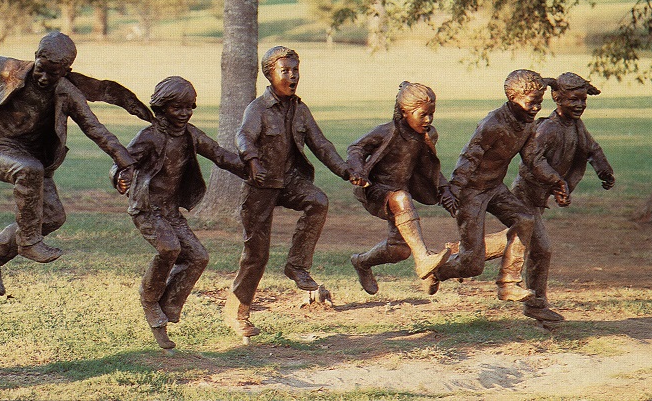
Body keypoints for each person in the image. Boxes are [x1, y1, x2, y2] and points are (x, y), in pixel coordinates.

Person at [0, 0, 152, 297]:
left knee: (52, 216)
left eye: (54, 72)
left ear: (65, 71)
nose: (44, 76)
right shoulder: (12, 70)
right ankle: (28, 242)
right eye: (41, 67)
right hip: (4, 150)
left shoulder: (67, 93)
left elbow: (96, 129)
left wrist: (126, 162)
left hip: (37, 161)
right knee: (28, 171)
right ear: (35, 57)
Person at [446, 73, 614, 321]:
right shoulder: (545, 128)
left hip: (533, 195)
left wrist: (598, 172)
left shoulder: (573, 127)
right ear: (558, 98)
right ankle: (533, 303)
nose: (579, 104)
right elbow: (528, 163)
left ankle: (464, 253)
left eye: (583, 99)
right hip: (525, 194)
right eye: (573, 99)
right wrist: (555, 181)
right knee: (540, 247)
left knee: (520, 239)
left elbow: (590, 150)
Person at [224, 46, 362, 338]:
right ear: (270, 74)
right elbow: (243, 136)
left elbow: (321, 145)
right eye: (285, 71)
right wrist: (252, 160)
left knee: (318, 201)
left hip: (289, 182)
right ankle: (237, 313)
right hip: (261, 186)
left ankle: (297, 266)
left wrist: (346, 171)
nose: (292, 76)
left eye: (295, 70)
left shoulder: (300, 110)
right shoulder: (258, 109)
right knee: (256, 254)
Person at [112, 76, 246, 350]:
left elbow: (219, 154)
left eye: (190, 108)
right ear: (162, 108)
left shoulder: (189, 134)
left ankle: (167, 306)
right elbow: (122, 160)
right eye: (177, 108)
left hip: (171, 211)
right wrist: (120, 176)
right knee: (169, 248)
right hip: (147, 208)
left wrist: (252, 169)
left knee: (198, 256)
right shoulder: (149, 136)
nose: (185, 114)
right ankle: (149, 300)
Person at [432, 69, 569, 302]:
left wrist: (556, 180)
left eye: (540, 103)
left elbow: (533, 159)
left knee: (525, 219)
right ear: (512, 98)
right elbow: (469, 157)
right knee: (472, 265)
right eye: (531, 103)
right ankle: (436, 271)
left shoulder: (527, 124)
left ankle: (508, 282)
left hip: (495, 188)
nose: (536, 109)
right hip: (470, 193)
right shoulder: (492, 124)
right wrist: (454, 190)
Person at [347, 82, 457, 295]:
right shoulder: (387, 131)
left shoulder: (427, 136)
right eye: (423, 115)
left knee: (399, 250)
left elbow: (431, 167)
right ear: (405, 112)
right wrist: (358, 171)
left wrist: (444, 189)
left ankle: (361, 262)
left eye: (431, 114)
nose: (428, 120)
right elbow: (356, 148)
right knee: (401, 198)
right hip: (376, 190)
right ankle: (424, 260)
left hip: (400, 194)